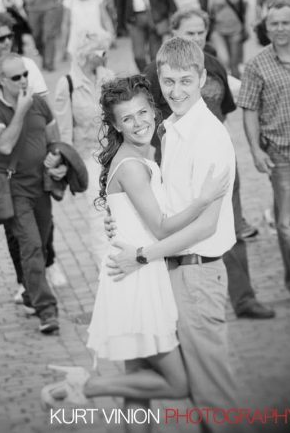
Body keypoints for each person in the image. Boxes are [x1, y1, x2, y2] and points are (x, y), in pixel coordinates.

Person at [41, 74, 229, 417]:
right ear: (115, 125)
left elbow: (138, 216)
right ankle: (87, 386)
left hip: (134, 272)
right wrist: (203, 201)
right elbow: (160, 226)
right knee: (178, 383)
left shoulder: (141, 155)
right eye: (127, 118)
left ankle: (89, 387)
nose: (139, 122)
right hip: (138, 280)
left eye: (142, 113)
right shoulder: (131, 166)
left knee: (138, 387)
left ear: (152, 111)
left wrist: (118, 223)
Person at [100, 38, 239, 425]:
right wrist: (121, 217)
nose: (176, 91)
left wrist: (142, 254)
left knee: (212, 393)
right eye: (168, 82)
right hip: (164, 270)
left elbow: (205, 224)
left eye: (185, 81)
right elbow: (157, 200)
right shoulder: (170, 128)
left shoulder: (209, 137)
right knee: (145, 375)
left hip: (194, 271)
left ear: (203, 79)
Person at [144, 8, 275, 320]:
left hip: (216, 158)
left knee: (232, 226)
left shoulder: (212, 65)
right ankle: (188, 292)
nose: (198, 38)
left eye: (202, 32)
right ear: (173, 32)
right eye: (190, 33)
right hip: (175, 158)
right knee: (185, 224)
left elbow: (224, 108)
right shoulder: (155, 73)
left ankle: (243, 298)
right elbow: (145, 121)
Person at [0, 54, 66, 334]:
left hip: (40, 185)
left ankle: (31, 293)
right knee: (30, 246)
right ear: (1, 80)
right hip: (14, 188)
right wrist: (20, 110)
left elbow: (54, 139)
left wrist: (58, 162)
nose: (24, 81)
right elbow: (3, 146)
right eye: (16, 78)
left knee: (40, 244)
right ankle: (46, 310)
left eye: (25, 74)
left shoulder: (38, 102)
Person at [238, 2, 290, 304]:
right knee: (286, 222)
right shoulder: (256, 65)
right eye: (274, 24)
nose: (280, 29)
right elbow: (250, 109)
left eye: (285, 23)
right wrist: (255, 150)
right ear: (266, 29)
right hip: (281, 153)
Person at [52, 35, 115, 265]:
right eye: (102, 52)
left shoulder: (108, 77)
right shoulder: (67, 84)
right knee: (98, 212)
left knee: (119, 210)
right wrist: (69, 166)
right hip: (89, 156)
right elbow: (65, 130)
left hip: (114, 153)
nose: (106, 56)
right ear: (87, 55)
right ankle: (105, 268)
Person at [56, 0, 114, 64]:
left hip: (98, 41)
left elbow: (105, 18)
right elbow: (65, 23)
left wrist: (111, 33)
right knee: (80, 71)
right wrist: (63, 42)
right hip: (77, 42)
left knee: (101, 69)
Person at [204, 0, 247, 77]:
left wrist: (245, 27)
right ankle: (226, 85)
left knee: (235, 63)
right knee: (224, 60)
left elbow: (243, 10)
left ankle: (237, 89)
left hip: (236, 28)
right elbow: (206, 11)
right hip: (218, 30)